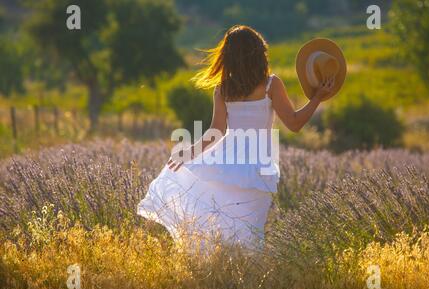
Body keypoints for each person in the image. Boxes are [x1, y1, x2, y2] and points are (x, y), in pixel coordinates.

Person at [138, 25, 334, 248]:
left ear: (229, 57)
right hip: (257, 168)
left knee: (221, 230)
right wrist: (317, 98)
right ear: (259, 53)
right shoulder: (271, 85)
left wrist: (188, 153)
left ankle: (219, 275)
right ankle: (241, 278)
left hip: (226, 164)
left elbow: (216, 131)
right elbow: (295, 123)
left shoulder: (223, 89)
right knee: (250, 235)